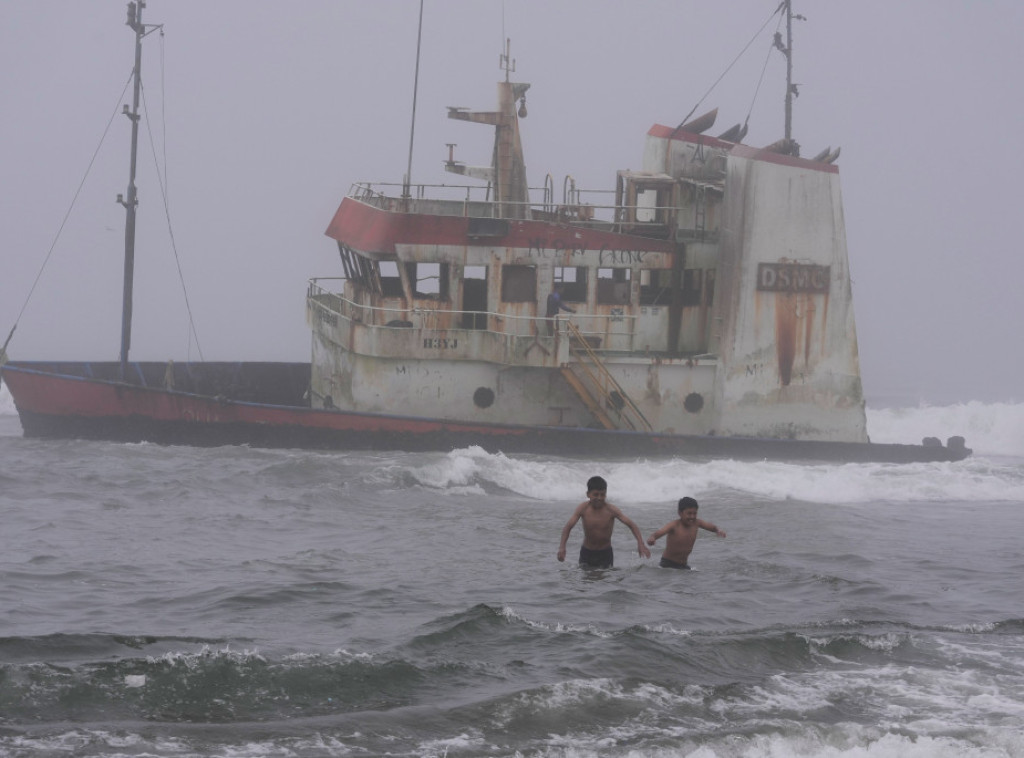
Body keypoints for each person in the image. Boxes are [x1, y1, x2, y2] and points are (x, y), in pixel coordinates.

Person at [557, 476, 651, 568]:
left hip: (605, 553)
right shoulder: (583, 509)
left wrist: (640, 544)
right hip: (587, 552)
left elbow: (632, 525)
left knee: (605, 577)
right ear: (588, 494)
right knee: (585, 577)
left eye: (602, 494)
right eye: (596, 494)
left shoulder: (611, 510)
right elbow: (568, 527)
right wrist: (562, 547)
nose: (599, 498)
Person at [647, 496, 726, 569]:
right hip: (667, 564)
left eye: (694, 513)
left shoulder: (697, 523)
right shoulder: (674, 525)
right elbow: (659, 533)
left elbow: (711, 527)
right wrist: (652, 538)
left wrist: (718, 530)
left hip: (683, 565)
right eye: (689, 513)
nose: (692, 517)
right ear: (680, 513)